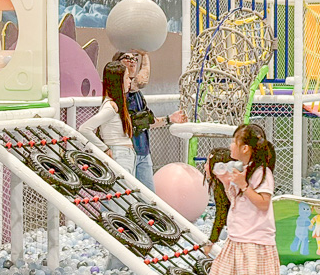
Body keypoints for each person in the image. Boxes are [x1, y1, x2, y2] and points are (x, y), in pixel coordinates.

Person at [208, 124, 279, 275]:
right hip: (238, 236)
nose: (231, 145)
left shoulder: (262, 174)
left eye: (234, 141)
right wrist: (229, 183)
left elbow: (263, 203)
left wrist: (243, 185)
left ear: (245, 148)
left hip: (253, 239)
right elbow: (238, 204)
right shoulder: (245, 170)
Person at [113, 50, 186, 192]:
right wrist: (145, 56)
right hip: (125, 153)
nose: (132, 61)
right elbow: (141, 81)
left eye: (135, 58)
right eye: (127, 58)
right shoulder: (118, 92)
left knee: (148, 196)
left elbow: (146, 121)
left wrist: (170, 119)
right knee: (123, 196)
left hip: (143, 152)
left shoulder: (137, 95)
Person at [77, 61, 134, 172]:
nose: (130, 81)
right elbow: (84, 129)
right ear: (118, 81)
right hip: (119, 154)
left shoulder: (114, 105)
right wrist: (104, 148)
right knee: (122, 188)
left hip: (124, 153)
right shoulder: (111, 106)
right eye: (127, 78)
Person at [202, 147, 233, 255]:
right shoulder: (220, 187)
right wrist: (211, 241)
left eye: (207, 163)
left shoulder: (233, 185)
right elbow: (221, 215)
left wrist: (211, 241)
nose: (205, 167)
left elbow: (222, 215)